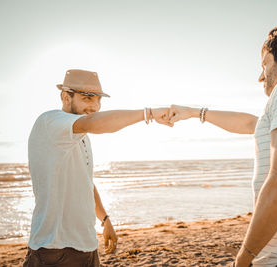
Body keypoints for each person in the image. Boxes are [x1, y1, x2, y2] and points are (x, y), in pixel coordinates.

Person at [167, 17, 277, 267]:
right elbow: (253, 125)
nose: (261, 76)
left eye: (265, 64)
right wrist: (195, 112)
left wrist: (244, 256)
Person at [24, 69, 171, 267]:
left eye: (98, 100)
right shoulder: (50, 122)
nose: (94, 107)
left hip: (87, 248)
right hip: (54, 250)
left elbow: (85, 182)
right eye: (87, 98)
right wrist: (149, 114)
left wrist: (105, 219)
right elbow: (91, 122)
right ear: (65, 97)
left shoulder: (81, 135)